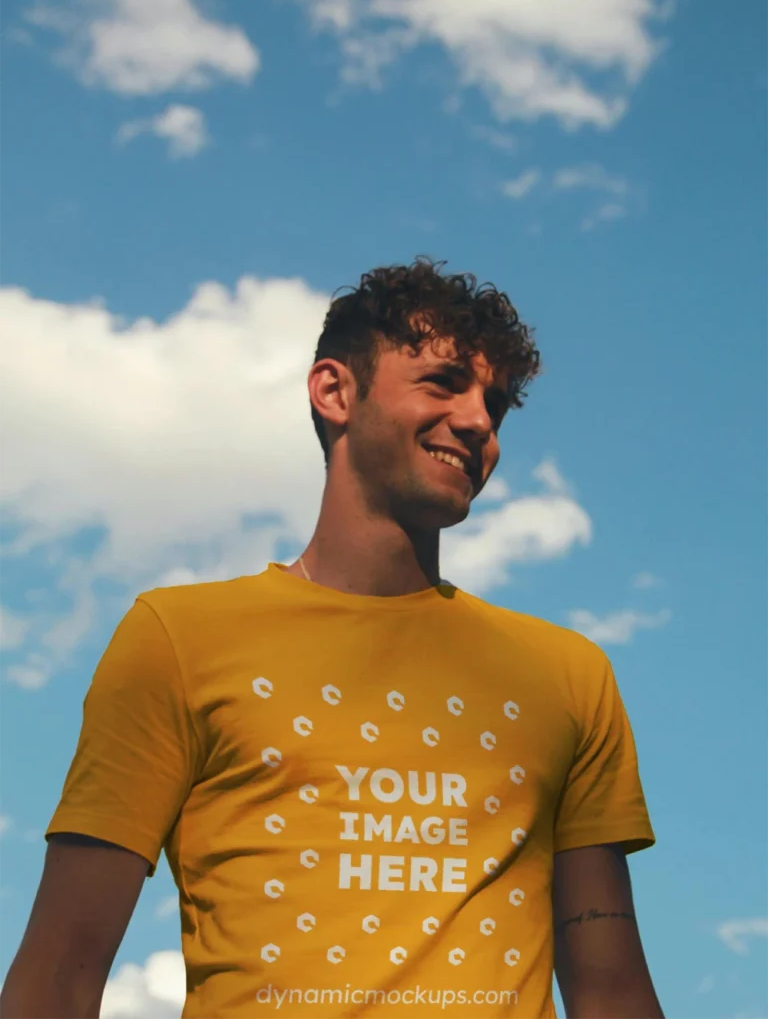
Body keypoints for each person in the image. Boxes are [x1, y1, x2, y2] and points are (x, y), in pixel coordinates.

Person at [0, 258, 665, 1018]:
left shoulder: (569, 675)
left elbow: (611, 991)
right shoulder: (177, 638)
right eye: (444, 382)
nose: (480, 421)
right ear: (334, 392)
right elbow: (57, 976)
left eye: (497, 403)